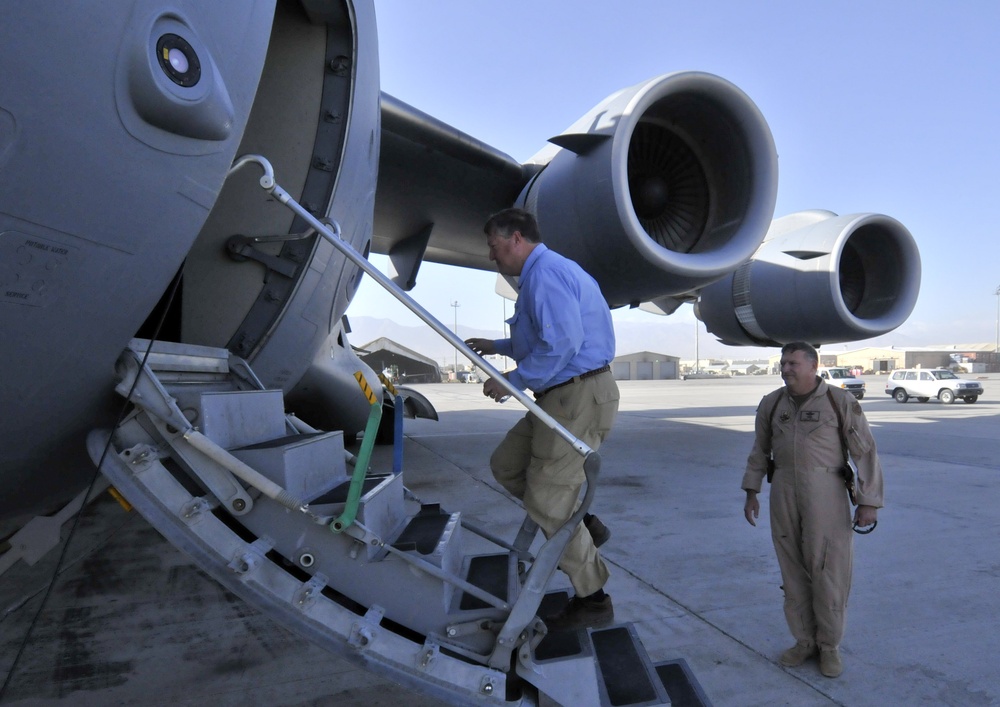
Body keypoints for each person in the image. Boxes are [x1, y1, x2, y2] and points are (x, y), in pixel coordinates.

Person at [465, 207, 619, 631]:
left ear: (516, 239)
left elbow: (564, 343)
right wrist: (498, 345)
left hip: (577, 395)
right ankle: (580, 523)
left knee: (548, 501)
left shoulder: (546, 274)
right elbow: (543, 337)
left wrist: (514, 381)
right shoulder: (539, 276)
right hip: (559, 396)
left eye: (494, 247)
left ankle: (594, 598)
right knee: (507, 466)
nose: (492, 256)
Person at [742, 341, 883, 678]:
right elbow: (759, 451)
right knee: (792, 570)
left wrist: (868, 501)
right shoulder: (772, 404)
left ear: (812, 365)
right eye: (783, 362)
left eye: (793, 363)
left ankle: (830, 646)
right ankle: (804, 641)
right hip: (784, 492)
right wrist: (751, 491)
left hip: (827, 491)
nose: (786, 368)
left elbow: (864, 453)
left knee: (829, 570)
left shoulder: (839, 401)